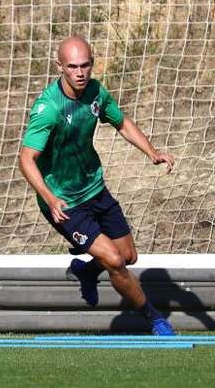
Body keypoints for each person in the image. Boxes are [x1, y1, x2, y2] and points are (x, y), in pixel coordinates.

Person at [18, 36, 176, 335]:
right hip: (64, 202)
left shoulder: (95, 92)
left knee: (128, 256)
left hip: (94, 188)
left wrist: (152, 152)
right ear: (59, 66)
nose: (80, 73)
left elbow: (122, 123)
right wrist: (49, 198)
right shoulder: (48, 108)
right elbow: (26, 159)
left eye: (85, 65)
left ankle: (87, 271)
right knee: (114, 260)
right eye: (72, 67)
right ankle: (154, 318)